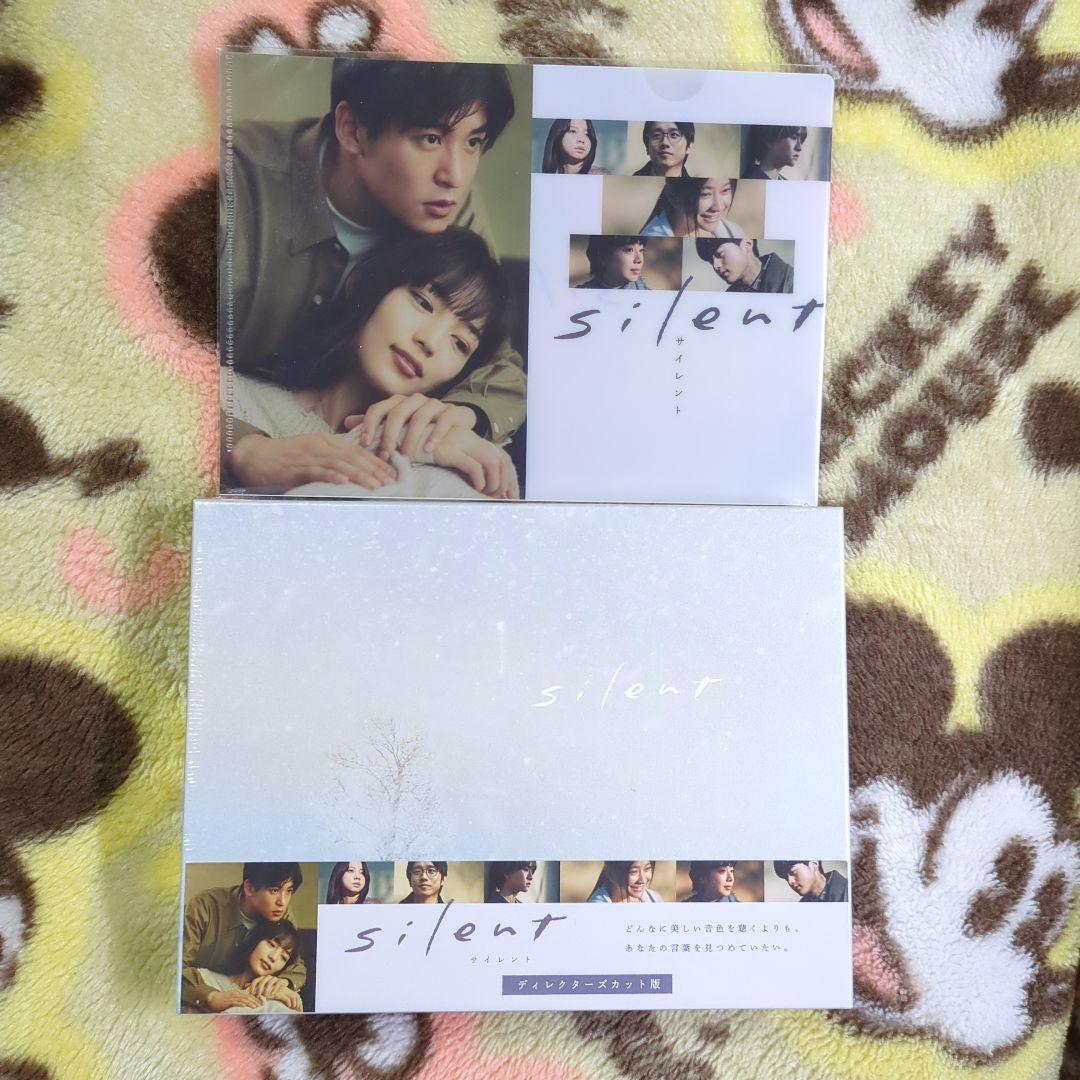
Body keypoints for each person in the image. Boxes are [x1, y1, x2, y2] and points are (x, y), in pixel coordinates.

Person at [222, 58, 527, 482]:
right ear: (352, 130)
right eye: (430, 138)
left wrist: (452, 417)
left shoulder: (451, 207)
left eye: (473, 142)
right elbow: (139, 356)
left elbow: (498, 364)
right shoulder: (231, 179)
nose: (456, 175)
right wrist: (244, 447)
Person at [224, 228, 519, 499]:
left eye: (460, 343)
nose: (430, 341)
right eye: (423, 303)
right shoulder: (229, 397)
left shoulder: (457, 454)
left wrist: (415, 440)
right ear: (368, 285)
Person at [181, 862, 307, 1012]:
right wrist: (211, 996)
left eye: (289, 891)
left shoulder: (280, 913)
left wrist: (281, 983)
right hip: (199, 994)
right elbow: (175, 967)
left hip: (248, 997)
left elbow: (296, 965)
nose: (283, 902)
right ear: (249, 888)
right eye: (274, 890)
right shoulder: (204, 906)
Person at [188, 920, 304, 1014]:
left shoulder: (280, 997)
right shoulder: (204, 977)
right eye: (271, 944)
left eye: (283, 957)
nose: (273, 957)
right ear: (255, 940)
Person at [641, 178, 744, 239]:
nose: (719, 207)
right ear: (673, 196)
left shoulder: (734, 231)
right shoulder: (652, 238)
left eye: (725, 190)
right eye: (705, 194)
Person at [696, 236, 794, 294]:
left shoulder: (792, 282)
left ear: (747, 245)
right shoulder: (729, 300)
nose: (715, 266)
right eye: (711, 261)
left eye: (720, 254)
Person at [577, 236, 649, 290]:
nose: (639, 260)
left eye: (641, 250)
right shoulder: (580, 295)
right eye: (629, 250)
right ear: (603, 257)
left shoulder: (643, 290)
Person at [541, 119, 609, 175]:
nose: (581, 140)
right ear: (558, 135)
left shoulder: (601, 176)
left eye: (587, 134)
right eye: (573, 131)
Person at [741, 125, 807, 180]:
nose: (799, 148)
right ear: (769, 140)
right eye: (793, 137)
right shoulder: (751, 180)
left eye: (801, 141)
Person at [587, 861, 662, 903]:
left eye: (647, 869)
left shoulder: (655, 898)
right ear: (611, 873)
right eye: (633, 872)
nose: (643, 880)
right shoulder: (596, 910)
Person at [773, 860, 848, 902]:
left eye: (793, 872)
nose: (790, 882)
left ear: (814, 865)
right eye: (786, 878)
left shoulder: (848, 891)